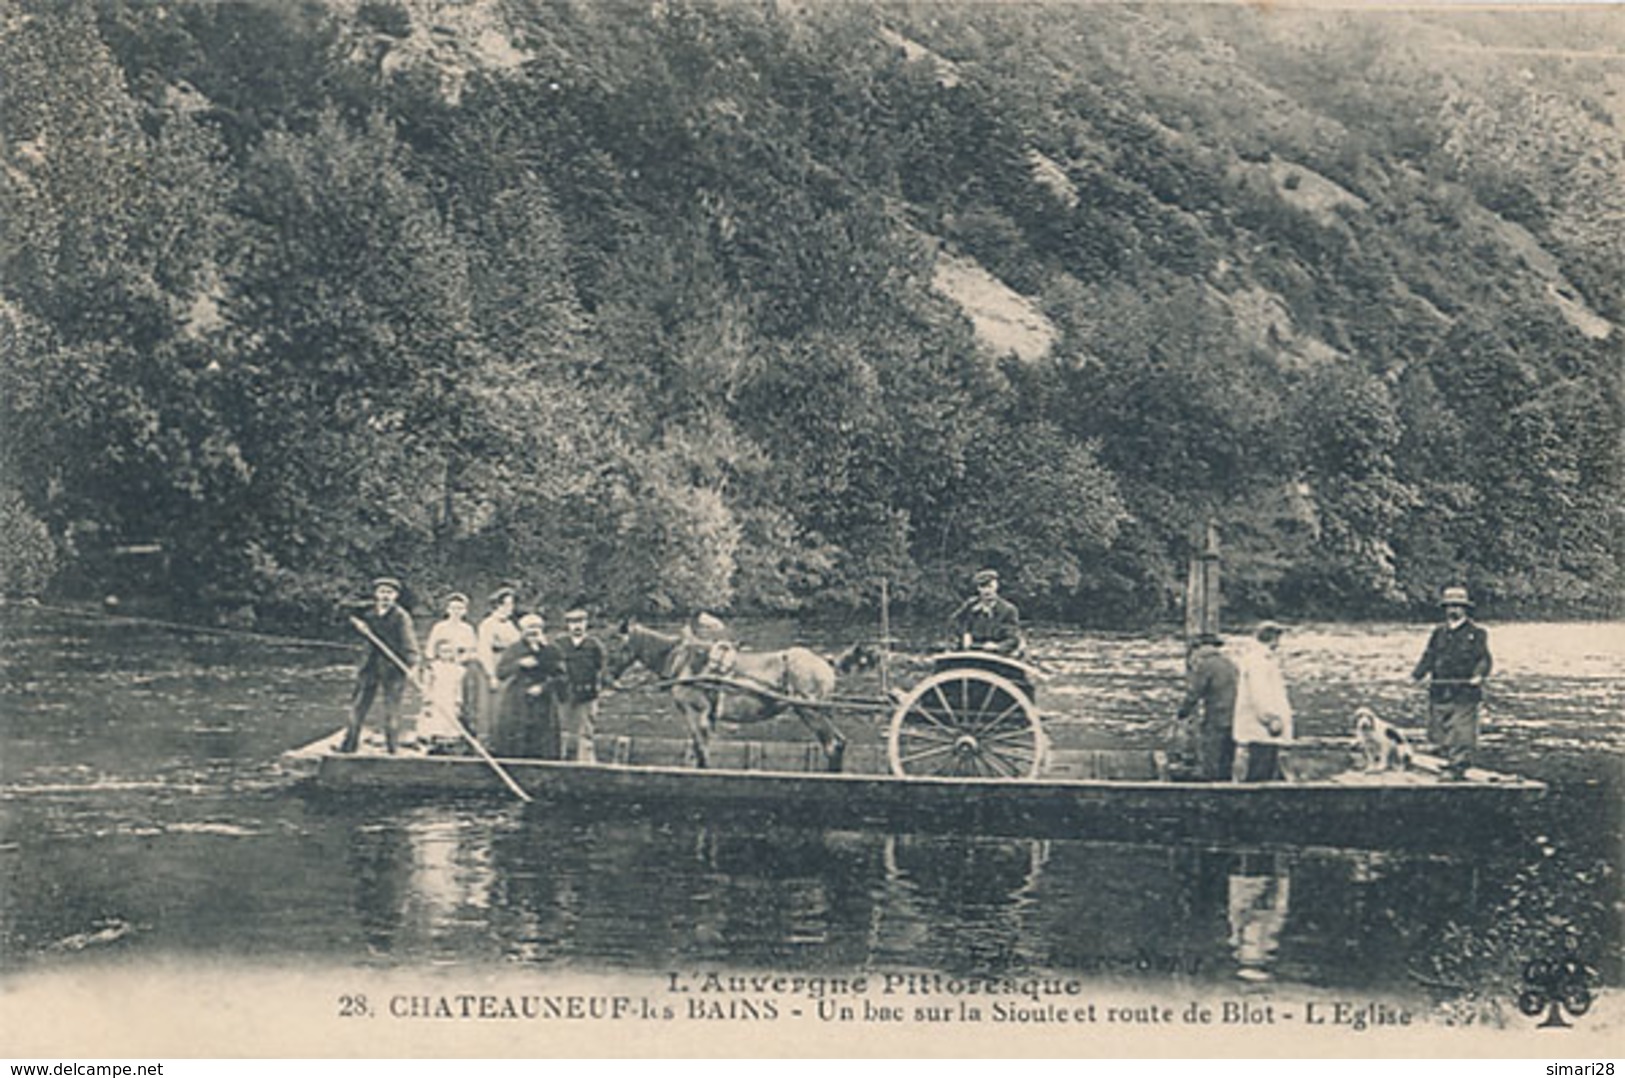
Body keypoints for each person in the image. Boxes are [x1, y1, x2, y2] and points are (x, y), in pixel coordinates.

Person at [1411, 586, 1492, 781]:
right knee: (1439, 730)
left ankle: (1458, 765)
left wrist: (1478, 676)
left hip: (1465, 691)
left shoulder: (1477, 633)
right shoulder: (1438, 632)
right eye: (1449, 606)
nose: (1453, 610)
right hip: (1440, 689)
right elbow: (1429, 656)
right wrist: (1417, 675)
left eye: (1457, 606)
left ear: (1465, 609)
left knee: (1461, 730)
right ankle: (1447, 759)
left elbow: (1484, 659)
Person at [341, 576, 420, 754]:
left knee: (392, 709)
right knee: (358, 706)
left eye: (390, 593)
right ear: (376, 594)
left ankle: (392, 749)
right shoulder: (368, 612)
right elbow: (343, 608)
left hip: (393, 667)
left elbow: (410, 643)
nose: (385, 596)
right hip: (369, 666)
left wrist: (413, 666)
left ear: (396, 596)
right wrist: (358, 623)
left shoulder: (401, 617)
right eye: (382, 592)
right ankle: (349, 746)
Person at [492, 613, 564, 759]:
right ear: (522, 631)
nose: (533, 632)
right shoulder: (514, 649)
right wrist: (519, 664)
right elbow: (501, 672)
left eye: (537, 628)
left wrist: (543, 687)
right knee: (516, 738)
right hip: (518, 701)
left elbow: (561, 676)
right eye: (529, 628)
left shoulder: (551, 650)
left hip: (544, 702)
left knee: (543, 741)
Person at [1231, 621, 1294, 782]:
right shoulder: (1258, 661)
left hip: (1262, 731)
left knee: (1264, 766)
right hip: (1260, 730)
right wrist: (1270, 718)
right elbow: (1260, 693)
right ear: (1272, 638)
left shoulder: (1262, 659)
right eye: (1278, 637)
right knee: (1260, 771)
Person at [1174, 632, 1239, 781]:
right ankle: (1226, 785)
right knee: (1227, 756)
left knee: (1211, 753)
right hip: (1235, 715)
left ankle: (1210, 785)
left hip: (1216, 715)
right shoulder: (1230, 663)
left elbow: (1195, 692)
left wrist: (1183, 711)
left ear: (1203, 647)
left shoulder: (1206, 665)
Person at [555, 607, 608, 764]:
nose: (577, 626)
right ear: (567, 625)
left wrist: (598, 687)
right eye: (572, 622)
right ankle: (559, 761)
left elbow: (601, 668)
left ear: (586, 623)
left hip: (587, 693)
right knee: (561, 729)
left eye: (580, 622)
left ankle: (586, 764)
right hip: (564, 693)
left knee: (586, 731)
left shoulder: (594, 645)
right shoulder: (560, 644)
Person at [473, 586, 522, 742]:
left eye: (512, 604)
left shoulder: (511, 625)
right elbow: (484, 651)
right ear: (497, 605)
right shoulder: (487, 624)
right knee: (493, 706)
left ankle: (507, 740)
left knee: (510, 705)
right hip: (495, 664)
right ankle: (490, 740)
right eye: (507, 605)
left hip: (511, 666)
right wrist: (491, 675)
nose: (510, 608)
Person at [949, 569, 1023, 655]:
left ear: (996, 586)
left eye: (990, 586)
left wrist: (997, 646)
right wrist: (965, 634)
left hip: (996, 655)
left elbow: (1013, 639)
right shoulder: (971, 605)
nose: (987, 591)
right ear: (978, 588)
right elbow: (954, 622)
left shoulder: (1007, 610)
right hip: (971, 651)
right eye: (983, 587)